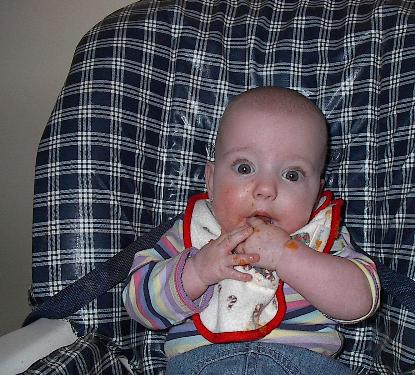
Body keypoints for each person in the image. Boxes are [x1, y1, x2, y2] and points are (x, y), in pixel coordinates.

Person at [123, 87, 380, 374]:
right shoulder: (189, 234)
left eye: (292, 175)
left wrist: (288, 256)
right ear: (211, 180)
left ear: (317, 194)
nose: (266, 189)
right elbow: (138, 304)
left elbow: (361, 301)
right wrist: (196, 271)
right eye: (244, 168)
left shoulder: (320, 238)